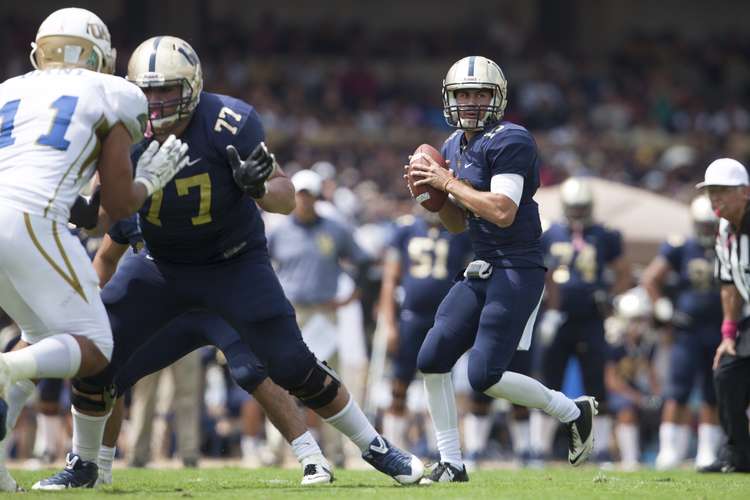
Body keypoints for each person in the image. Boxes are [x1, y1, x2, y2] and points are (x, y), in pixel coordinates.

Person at [36, 35, 423, 489]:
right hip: (161, 265)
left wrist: (259, 186)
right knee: (95, 357)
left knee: (292, 365)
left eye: (168, 91)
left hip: (233, 265)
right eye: (149, 91)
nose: (157, 103)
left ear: (194, 87)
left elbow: (283, 197)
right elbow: (104, 218)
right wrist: (71, 204)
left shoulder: (229, 121)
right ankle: (85, 464)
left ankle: (375, 446)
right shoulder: (122, 122)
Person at [0, 8, 188, 492]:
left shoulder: (9, 90)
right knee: (96, 348)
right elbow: (122, 205)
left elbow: (90, 211)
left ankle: (50, 463)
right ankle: (8, 366)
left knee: (41, 334)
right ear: (102, 55)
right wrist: (150, 179)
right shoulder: (113, 92)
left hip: (20, 212)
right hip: (29, 217)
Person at [407, 55, 597, 483]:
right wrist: (430, 199)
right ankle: (452, 463)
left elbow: (503, 210)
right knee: (431, 357)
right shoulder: (454, 144)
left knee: (484, 376)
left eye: (479, 94)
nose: (471, 102)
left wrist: (446, 184)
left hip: (518, 264)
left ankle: (573, 411)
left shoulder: (511, 139)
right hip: (481, 263)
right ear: (448, 98)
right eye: (463, 94)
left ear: (498, 97)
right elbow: (458, 223)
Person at [92, 214, 332, 484]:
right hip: (166, 317)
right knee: (111, 372)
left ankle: (311, 456)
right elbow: (106, 255)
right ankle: (98, 467)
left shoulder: (208, 199)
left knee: (252, 372)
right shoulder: (136, 209)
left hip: (217, 308)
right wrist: (96, 304)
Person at [267, 168, 372, 467]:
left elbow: (365, 262)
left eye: (310, 195)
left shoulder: (335, 229)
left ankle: (337, 452)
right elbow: (260, 263)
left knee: (330, 383)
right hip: (290, 312)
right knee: (281, 381)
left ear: (317, 197)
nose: (305, 201)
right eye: (301, 195)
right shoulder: (278, 230)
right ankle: (276, 450)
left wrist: (353, 295)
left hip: (326, 312)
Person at [533, 177, 631, 463]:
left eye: (581, 207)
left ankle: (599, 449)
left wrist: (612, 300)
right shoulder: (550, 233)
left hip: (591, 318)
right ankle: (539, 448)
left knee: (596, 384)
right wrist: (548, 309)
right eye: (573, 207)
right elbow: (541, 272)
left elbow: (623, 271)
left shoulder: (604, 234)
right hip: (557, 318)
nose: (577, 213)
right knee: (548, 382)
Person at [378, 211, 473, 450]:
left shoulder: (460, 232)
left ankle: (441, 449)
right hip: (411, 317)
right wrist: (389, 323)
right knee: (399, 385)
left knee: (440, 383)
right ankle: (393, 448)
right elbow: (390, 278)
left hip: (445, 318)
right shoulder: (405, 229)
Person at [642, 195, 723, 469]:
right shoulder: (681, 246)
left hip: (718, 329)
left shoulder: (728, 245)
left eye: (709, 225)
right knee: (678, 390)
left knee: (713, 393)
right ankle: (669, 451)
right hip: (687, 331)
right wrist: (663, 308)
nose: (705, 231)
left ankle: (708, 452)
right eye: (701, 225)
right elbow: (650, 278)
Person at [696, 158, 750, 473]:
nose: (715, 199)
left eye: (723, 191)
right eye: (711, 192)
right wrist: (729, 333)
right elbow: (729, 284)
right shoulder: (724, 228)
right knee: (727, 371)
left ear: (745, 192)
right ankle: (738, 456)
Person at [604, 288, 660, 471]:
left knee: (667, 405)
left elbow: (651, 373)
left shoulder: (646, 344)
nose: (641, 325)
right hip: (617, 392)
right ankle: (630, 458)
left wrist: (656, 394)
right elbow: (611, 381)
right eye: (636, 319)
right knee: (626, 410)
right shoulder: (615, 343)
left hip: (635, 389)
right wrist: (637, 397)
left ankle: (660, 454)